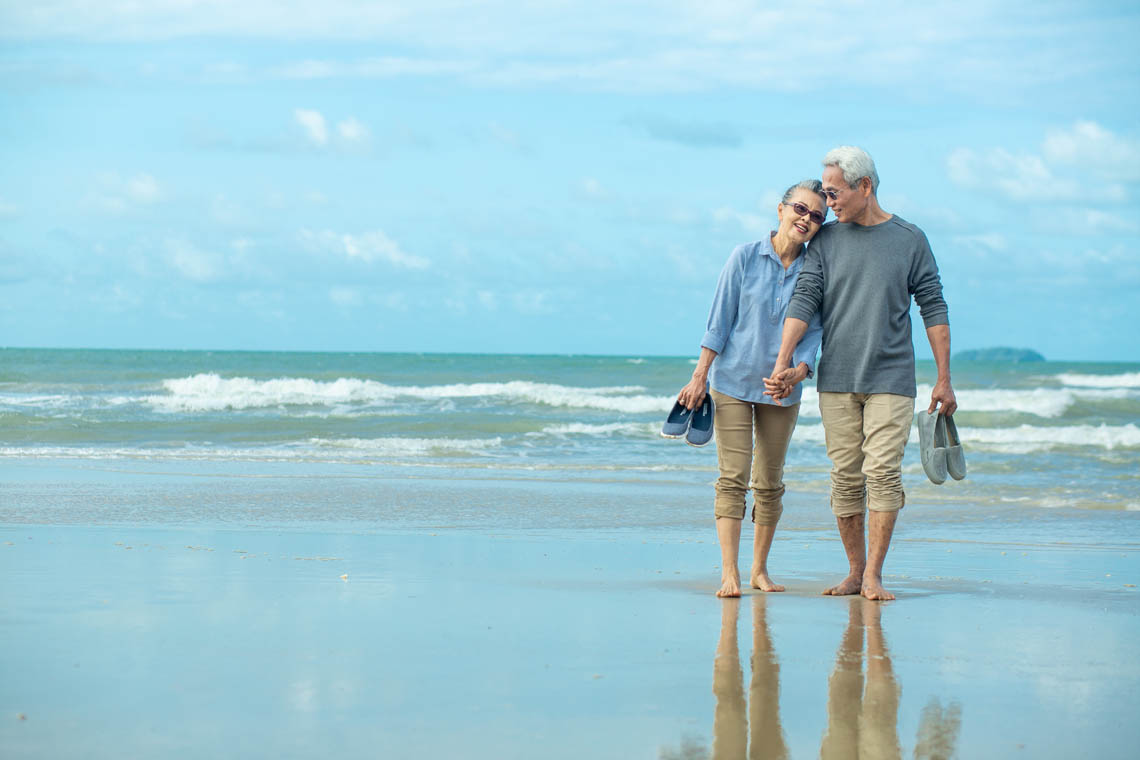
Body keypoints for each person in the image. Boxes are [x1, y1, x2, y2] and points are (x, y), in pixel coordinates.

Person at [765, 146, 957, 601]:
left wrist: (944, 378)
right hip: (836, 380)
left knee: (884, 473)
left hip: (892, 378)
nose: (826, 203)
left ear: (864, 187)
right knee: (845, 477)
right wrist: (784, 361)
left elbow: (933, 306)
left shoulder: (910, 239)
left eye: (834, 193)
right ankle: (854, 572)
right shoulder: (826, 241)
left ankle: (873, 575)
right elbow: (806, 298)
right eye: (824, 193)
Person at [676, 179, 825, 598]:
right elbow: (719, 321)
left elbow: (815, 332)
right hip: (732, 383)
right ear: (780, 209)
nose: (806, 219)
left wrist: (798, 372)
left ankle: (760, 569)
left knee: (770, 481)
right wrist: (699, 374)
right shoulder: (743, 258)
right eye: (800, 208)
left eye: (816, 215)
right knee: (733, 477)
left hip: (783, 390)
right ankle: (730, 572)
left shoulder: (816, 270)